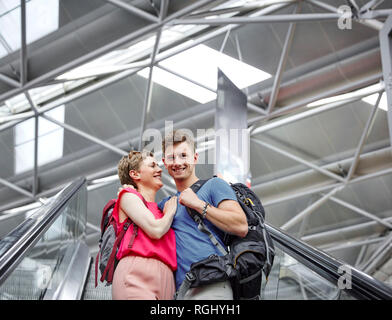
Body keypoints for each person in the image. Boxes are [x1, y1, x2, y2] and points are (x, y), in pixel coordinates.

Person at [158, 129, 248, 300]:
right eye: (171, 157)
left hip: (212, 285)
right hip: (182, 291)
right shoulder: (166, 205)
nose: (177, 162)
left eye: (183, 155)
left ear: (195, 158)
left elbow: (241, 225)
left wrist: (198, 204)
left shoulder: (214, 185)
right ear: (164, 162)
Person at [111, 150, 177, 300]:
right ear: (135, 174)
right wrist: (170, 212)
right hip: (136, 273)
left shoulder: (160, 210)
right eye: (152, 165)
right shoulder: (128, 195)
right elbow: (156, 230)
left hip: (167, 279)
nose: (159, 169)